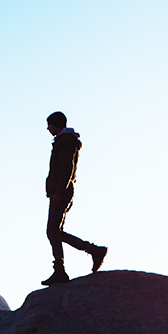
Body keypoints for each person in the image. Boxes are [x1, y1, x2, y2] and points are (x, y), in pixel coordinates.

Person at [41, 111, 107, 286]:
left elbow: (67, 169)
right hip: (60, 191)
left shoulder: (66, 141)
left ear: (55, 124)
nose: (47, 128)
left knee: (52, 231)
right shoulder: (63, 141)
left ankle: (61, 270)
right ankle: (93, 251)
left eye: (49, 124)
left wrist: (58, 192)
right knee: (55, 232)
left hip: (61, 192)